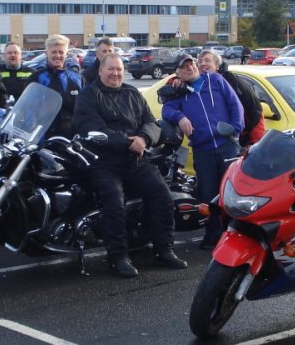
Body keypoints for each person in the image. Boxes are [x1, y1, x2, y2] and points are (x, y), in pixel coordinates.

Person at [74, 53, 187, 278]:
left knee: (162, 195)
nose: (115, 73)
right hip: (103, 161)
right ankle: (118, 257)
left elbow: (151, 122)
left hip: (135, 158)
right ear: (100, 71)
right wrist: (129, 142)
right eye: (111, 69)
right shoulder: (88, 96)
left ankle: (164, 249)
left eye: (119, 69)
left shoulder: (132, 92)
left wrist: (144, 139)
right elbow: (92, 128)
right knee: (114, 201)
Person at [160, 55, 244, 250]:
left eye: (192, 64)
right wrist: (180, 117)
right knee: (208, 194)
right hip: (203, 149)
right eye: (184, 67)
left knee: (234, 192)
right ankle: (214, 235)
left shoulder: (215, 79)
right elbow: (167, 110)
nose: (190, 68)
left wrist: (236, 131)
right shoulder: (178, 91)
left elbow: (235, 105)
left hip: (227, 145)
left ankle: (238, 234)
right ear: (178, 73)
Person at [198, 50, 265, 147]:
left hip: (234, 141)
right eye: (200, 61)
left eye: (207, 60)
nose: (203, 63)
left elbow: (254, 111)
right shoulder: (196, 84)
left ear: (217, 66)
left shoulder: (232, 83)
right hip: (206, 145)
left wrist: (254, 144)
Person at [27, 34, 84, 139]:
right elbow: (29, 108)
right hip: (45, 136)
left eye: (61, 52)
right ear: (46, 53)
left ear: (66, 54)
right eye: (53, 52)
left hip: (73, 136)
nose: (57, 55)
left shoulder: (77, 79)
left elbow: (85, 108)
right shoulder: (37, 78)